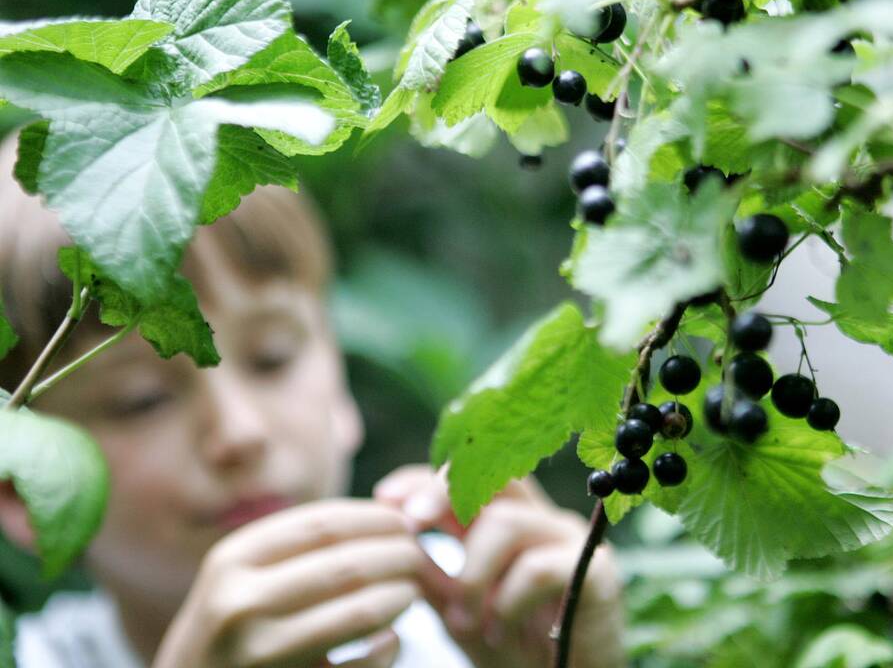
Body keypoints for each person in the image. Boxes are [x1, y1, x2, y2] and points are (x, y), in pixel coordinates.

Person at [0, 134, 625, 668]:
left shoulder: (475, 618)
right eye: (141, 400)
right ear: (22, 491)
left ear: (342, 388)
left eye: (273, 358)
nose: (240, 432)